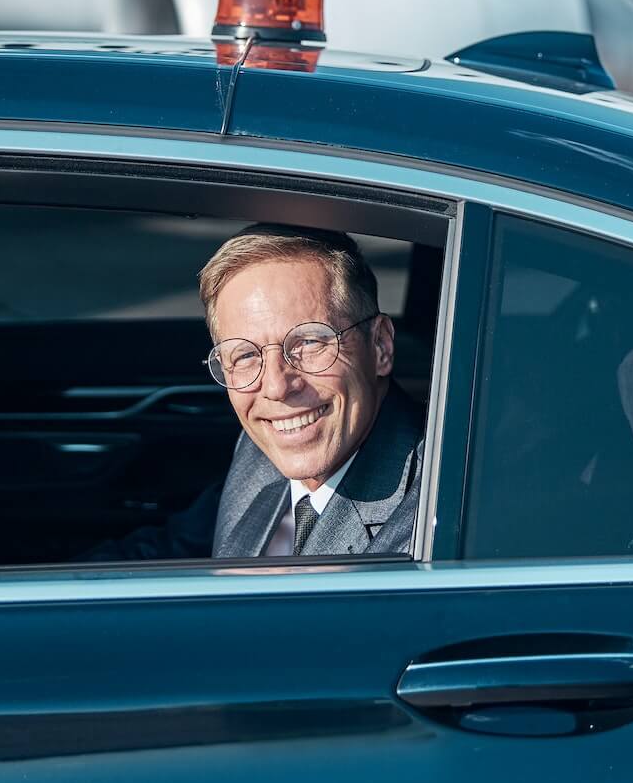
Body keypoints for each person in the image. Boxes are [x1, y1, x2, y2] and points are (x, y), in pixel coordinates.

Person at [79, 224, 424, 561]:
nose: (276, 388)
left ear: (380, 345)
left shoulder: (427, 529)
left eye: (308, 342)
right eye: (245, 355)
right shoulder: (263, 450)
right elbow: (174, 549)